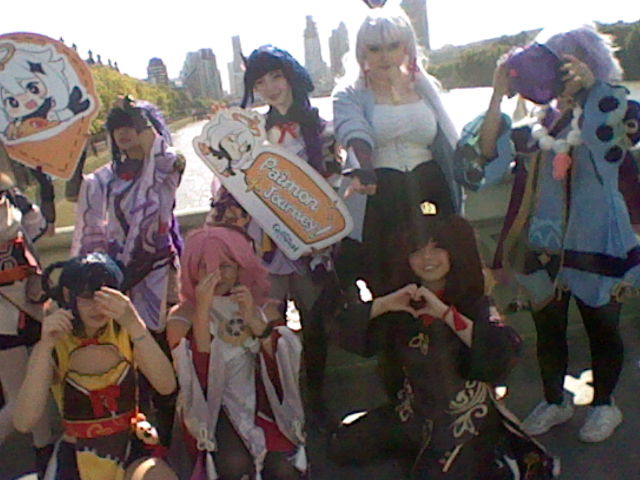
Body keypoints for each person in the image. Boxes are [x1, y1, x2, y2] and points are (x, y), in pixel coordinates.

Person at [456, 25, 640, 442]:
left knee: (602, 326)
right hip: (545, 241)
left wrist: (592, 90)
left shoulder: (617, 107)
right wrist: (498, 93)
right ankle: (555, 401)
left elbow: (608, 147)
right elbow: (486, 160)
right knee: (549, 328)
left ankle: (604, 404)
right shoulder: (537, 125)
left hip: (598, 239)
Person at [328, 214, 557, 478]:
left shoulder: (475, 300)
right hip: (412, 414)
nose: (427, 258)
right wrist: (385, 304)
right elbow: (343, 331)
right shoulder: (405, 302)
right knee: (341, 447)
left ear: (454, 252)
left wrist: (446, 314)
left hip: (464, 422)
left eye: (437, 248)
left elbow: (502, 352)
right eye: (417, 250)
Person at [70, 95, 184, 445]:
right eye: (118, 126)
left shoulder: (165, 167)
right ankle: (135, 431)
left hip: (157, 276)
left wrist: (139, 114)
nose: (124, 133)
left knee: (160, 349)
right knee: (125, 354)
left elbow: (167, 157)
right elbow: (85, 218)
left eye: (132, 126)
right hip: (114, 277)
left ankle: (169, 434)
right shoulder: (101, 180)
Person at [240, 45, 339, 427]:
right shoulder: (251, 133)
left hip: (313, 242)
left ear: (291, 76)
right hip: (268, 241)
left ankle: (316, 397)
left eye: (276, 77)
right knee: (270, 322)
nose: (270, 87)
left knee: (315, 323)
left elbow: (333, 182)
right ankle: (277, 403)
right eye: (260, 82)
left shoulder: (322, 129)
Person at [332, 9, 462, 298]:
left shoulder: (425, 87)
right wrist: (364, 167)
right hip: (379, 194)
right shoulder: (348, 94)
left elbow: (450, 141)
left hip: (431, 191)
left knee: (444, 278)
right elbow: (353, 131)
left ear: (407, 47)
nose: (384, 56)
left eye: (393, 46)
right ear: (362, 52)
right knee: (388, 279)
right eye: (374, 49)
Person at [13, 252, 177, 479]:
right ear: (69, 295)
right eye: (87, 297)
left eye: (104, 297)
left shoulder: (125, 330)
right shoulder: (57, 342)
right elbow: (24, 421)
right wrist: (44, 347)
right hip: (78, 453)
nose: (96, 307)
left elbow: (166, 386)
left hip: (130, 444)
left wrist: (135, 325)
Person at [168, 226, 307, 480]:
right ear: (191, 270)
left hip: (261, 401)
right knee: (234, 465)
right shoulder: (181, 316)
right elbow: (198, 373)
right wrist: (202, 311)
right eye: (204, 266)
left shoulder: (263, 306)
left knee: (284, 468)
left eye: (225, 266)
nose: (217, 275)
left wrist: (254, 319)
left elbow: (284, 366)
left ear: (241, 266)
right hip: (214, 409)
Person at [0, 173, 54, 477]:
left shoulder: (14, 201)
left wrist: (45, 191)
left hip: (32, 308)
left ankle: (44, 456)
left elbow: (41, 226)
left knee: (39, 386)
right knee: (20, 398)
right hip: (4, 317)